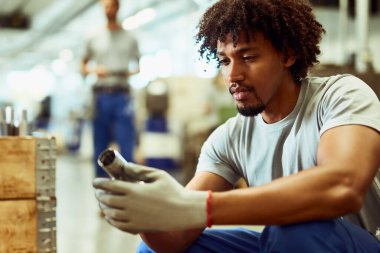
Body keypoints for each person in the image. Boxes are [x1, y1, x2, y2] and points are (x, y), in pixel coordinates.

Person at [92, 0, 380, 252]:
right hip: (288, 242)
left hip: (360, 243)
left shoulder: (340, 95)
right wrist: (151, 214)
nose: (232, 75)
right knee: (151, 250)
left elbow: (343, 186)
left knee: (292, 228)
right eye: (224, 61)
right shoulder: (230, 137)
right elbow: (174, 239)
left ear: (288, 54)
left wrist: (198, 207)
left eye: (248, 57)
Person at [81, 0, 140, 177]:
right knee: (100, 145)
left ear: (118, 7)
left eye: (112, 6)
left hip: (122, 96)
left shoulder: (130, 38)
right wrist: (94, 70)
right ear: (102, 8)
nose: (109, 10)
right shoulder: (94, 37)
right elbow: (82, 66)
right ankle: (102, 188)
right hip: (101, 97)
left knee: (126, 144)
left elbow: (138, 67)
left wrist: (127, 73)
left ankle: (130, 187)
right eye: (105, 6)